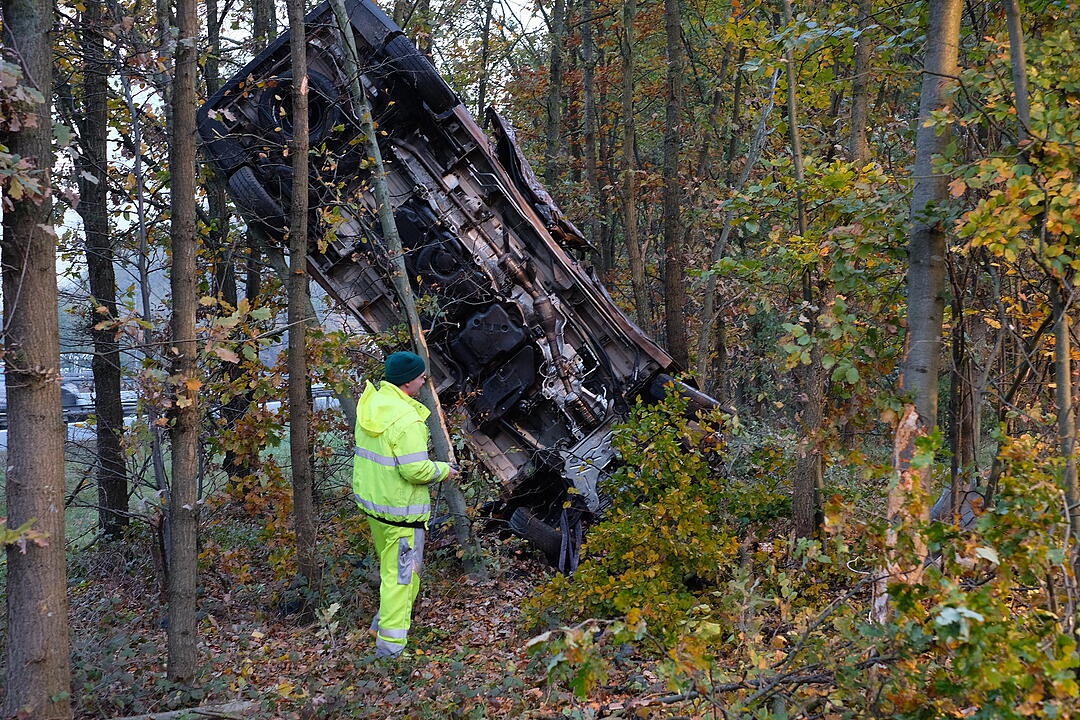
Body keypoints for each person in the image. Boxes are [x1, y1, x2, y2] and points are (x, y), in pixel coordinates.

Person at [352, 351, 458, 658]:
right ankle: (390, 651)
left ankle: (380, 625)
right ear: (409, 382)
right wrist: (443, 470)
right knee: (401, 579)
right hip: (401, 515)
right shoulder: (407, 419)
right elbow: (414, 470)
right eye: (422, 377)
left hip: (376, 509)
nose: (424, 381)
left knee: (394, 573)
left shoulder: (371, 405)